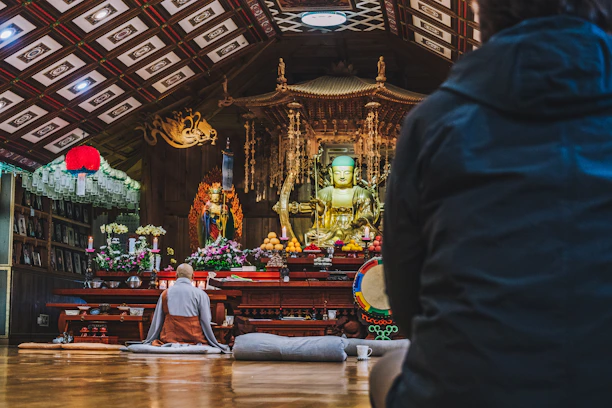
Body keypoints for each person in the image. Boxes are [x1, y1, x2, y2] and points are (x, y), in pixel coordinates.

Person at [375, 0, 612, 407]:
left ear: (483, 17)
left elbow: (405, 298)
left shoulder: (434, 119)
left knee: (386, 368)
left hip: (466, 387)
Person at [144, 263, 229, 352]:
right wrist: (211, 339)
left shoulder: (165, 293)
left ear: (176, 276)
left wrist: (151, 338)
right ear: (193, 276)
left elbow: (157, 321)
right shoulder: (200, 294)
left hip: (169, 338)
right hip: (194, 339)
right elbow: (206, 320)